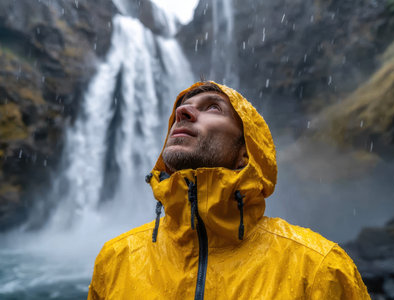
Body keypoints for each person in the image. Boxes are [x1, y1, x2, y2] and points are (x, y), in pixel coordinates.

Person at [87, 81, 370, 299]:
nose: (181, 112)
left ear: (245, 153)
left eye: (212, 107)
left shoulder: (319, 267)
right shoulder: (115, 259)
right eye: (181, 109)